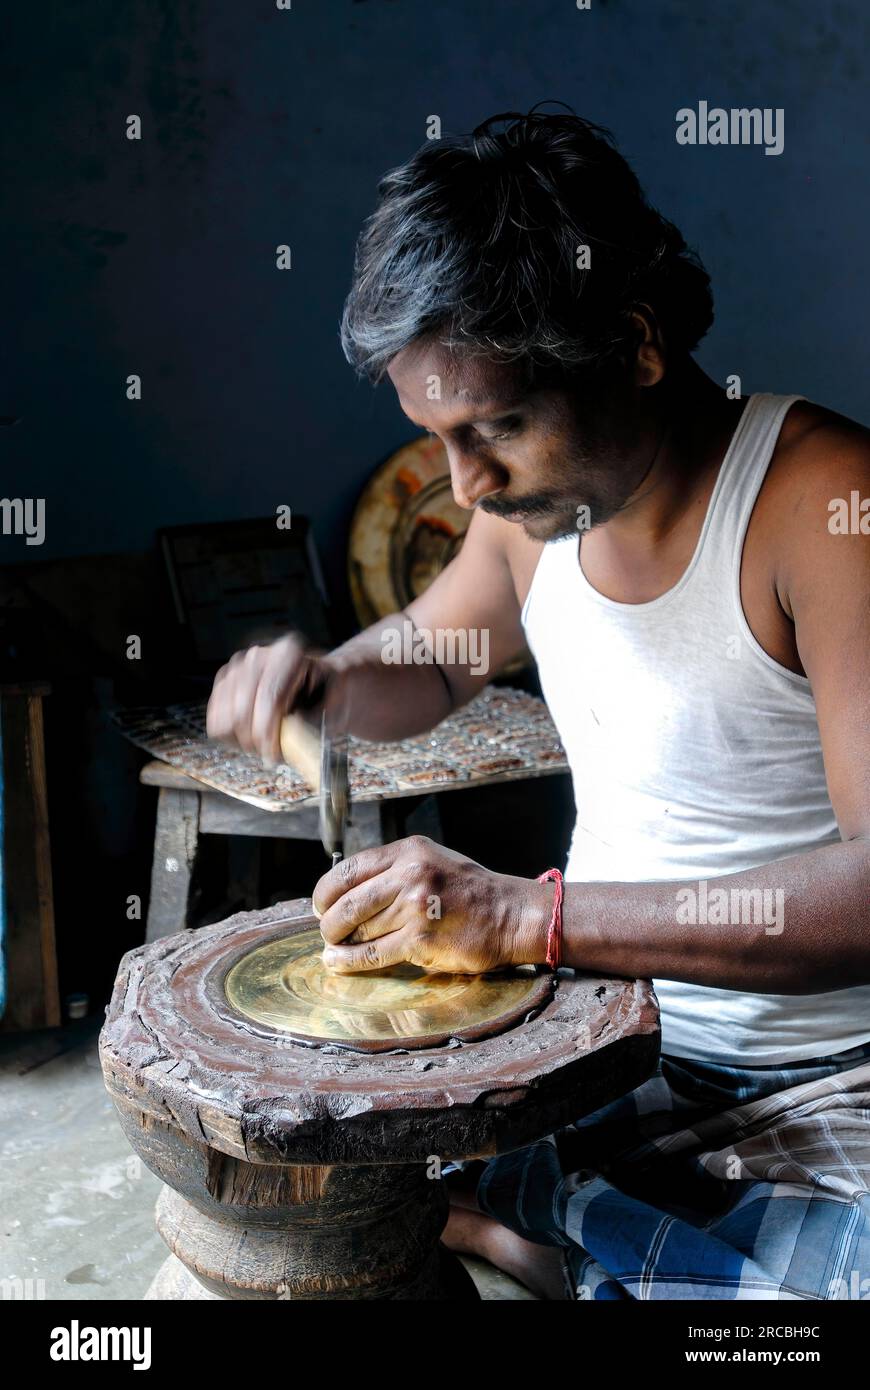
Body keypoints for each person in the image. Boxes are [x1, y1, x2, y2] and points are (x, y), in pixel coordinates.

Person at [206, 111, 870, 1300]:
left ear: (635, 342)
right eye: (438, 439)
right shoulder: (530, 515)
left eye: (496, 427)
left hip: (827, 1078)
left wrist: (530, 919)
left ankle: (547, 1236)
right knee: (319, 1173)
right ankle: (566, 1229)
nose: (464, 483)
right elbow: (440, 655)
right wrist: (328, 681)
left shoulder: (823, 505)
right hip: (610, 1057)